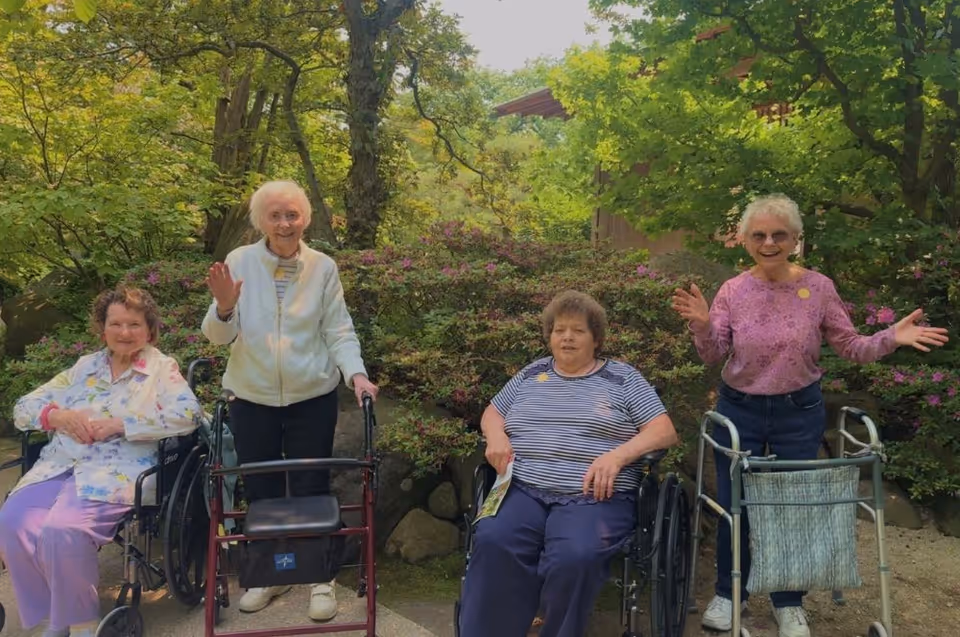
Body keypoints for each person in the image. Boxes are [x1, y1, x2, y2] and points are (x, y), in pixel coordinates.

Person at [671, 194, 949, 637]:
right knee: (733, 508)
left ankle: (788, 603)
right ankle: (729, 594)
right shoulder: (733, 291)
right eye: (759, 234)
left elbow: (850, 348)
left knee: (791, 508)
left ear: (795, 239)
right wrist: (703, 325)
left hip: (797, 410)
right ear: (745, 240)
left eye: (779, 234)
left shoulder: (818, 287)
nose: (768, 242)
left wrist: (891, 337)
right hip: (738, 408)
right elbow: (712, 353)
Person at [201, 179, 378, 621]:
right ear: (261, 221)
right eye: (275, 215)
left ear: (305, 219)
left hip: (310, 395)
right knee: (260, 490)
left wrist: (355, 374)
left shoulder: (322, 267)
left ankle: (320, 577)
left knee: (310, 486)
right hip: (251, 395)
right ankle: (267, 575)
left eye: (292, 214)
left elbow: (338, 329)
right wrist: (223, 307)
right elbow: (218, 336)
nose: (284, 223)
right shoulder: (240, 261)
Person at [458, 290, 680, 637]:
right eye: (559, 330)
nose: (567, 337)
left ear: (597, 339)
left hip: (593, 495)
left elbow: (664, 431)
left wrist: (618, 455)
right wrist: (496, 436)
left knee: (574, 556)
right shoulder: (532, 372)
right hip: (522, 489)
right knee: (492, 538)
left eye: (578, 330)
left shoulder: (623, 378)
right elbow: (493, 412)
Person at [0, 286, 201, 637]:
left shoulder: (160, 370)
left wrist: (123, 425)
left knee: (63, 529)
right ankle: (56, 614)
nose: (125, 333)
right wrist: (56, 416)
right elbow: (22, 409)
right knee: (13, 522)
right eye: (116, 323)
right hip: (60, 464)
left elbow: (188, 415)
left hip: (118, 470)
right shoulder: (83, 367)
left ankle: (81, 624)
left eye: (134, 324)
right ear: (102, 328)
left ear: (149, 330)